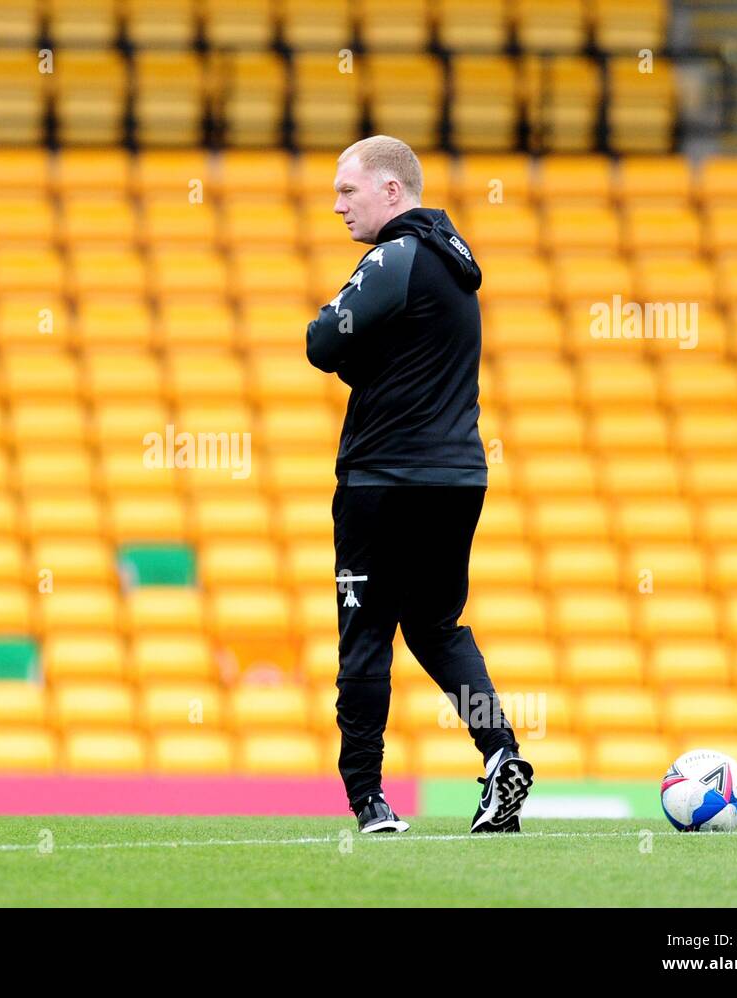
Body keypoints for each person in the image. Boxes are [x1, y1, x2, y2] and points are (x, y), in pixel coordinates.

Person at [305, 135, 533, 834]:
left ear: (392, 192)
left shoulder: (393, 258)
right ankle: (501, 755)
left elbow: (321, 342)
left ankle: (369, 799)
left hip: (383, 480)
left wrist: (353, 355)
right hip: (458, 477)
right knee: (436, 627)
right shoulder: (454, 266)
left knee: (366, 633)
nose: (337, 205)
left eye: (349, 191)